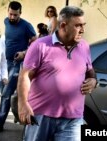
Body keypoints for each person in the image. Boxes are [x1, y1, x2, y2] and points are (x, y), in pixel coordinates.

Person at [17, 6, 97, 141]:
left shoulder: (84, 46)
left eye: (83, 25)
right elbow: (25, 76)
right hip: (41, 115)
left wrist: (94, 81)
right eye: (78, 25)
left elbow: (91, 72)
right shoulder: (40, 45)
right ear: (63, 25)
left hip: (73, 118)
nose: (82, 30)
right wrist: (23, 103)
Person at [0, 1, 37, 132]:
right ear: (8, 12)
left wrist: (24, 53)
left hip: (17, 64)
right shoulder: (6, 22)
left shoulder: (26, 26)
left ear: (20, 14)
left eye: (15, 15)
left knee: (6, 93)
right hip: (3, 62)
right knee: (4, 92)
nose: (12, 17)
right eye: (11, 14)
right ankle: (21, 116)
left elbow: (35, 44)